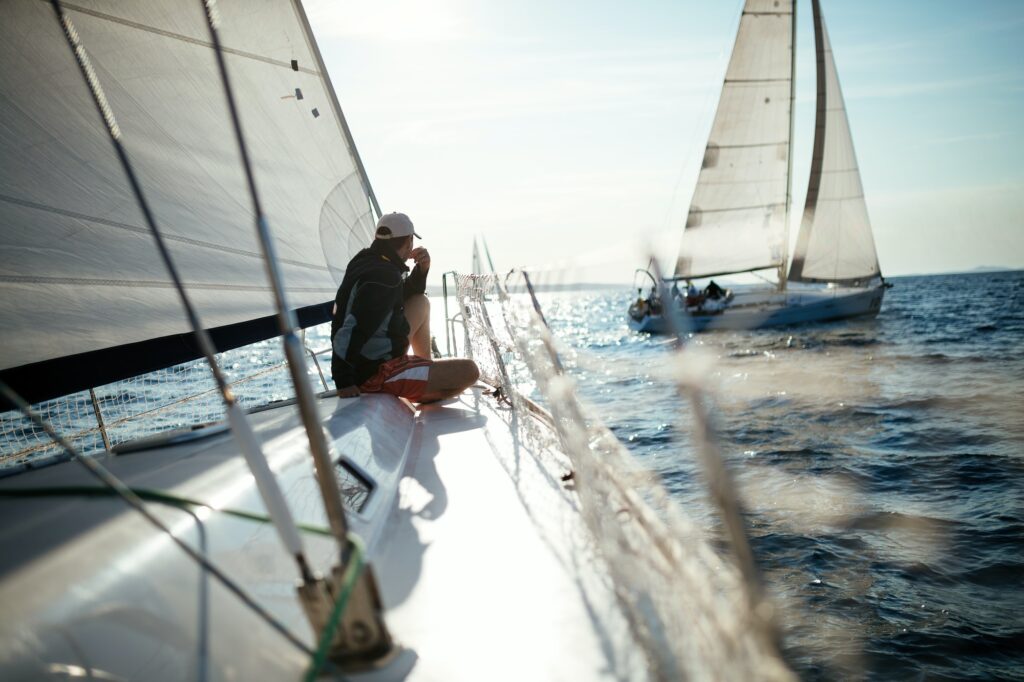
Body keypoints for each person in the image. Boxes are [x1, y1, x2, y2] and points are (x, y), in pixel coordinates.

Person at [330, 212, 479, 403]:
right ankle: (426, 387)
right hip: (375, 372)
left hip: (374, 356)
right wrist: (344, 382)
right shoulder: (383, 276)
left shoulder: (369, 261)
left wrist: (422, 269)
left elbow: (400, 294)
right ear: (409, 242)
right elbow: (352, 329)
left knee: (420, 302)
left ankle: (425, 368)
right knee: (469, 371)